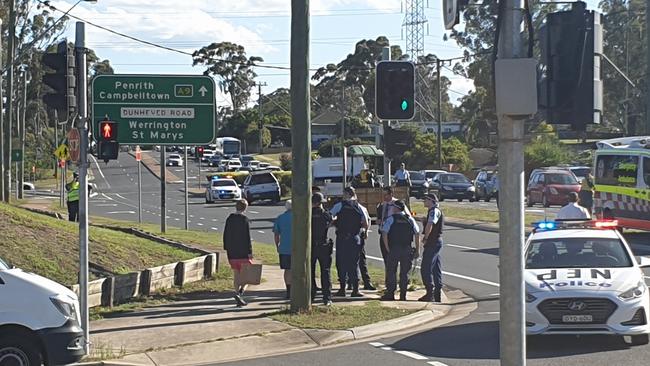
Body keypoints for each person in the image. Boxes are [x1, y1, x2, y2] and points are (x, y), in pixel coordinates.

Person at [330, 187, 370, 298]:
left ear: (346, 194)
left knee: (341, 262)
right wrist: (364, 231)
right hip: (355, 237)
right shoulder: (359, 207)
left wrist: (336, 223)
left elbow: (330, 218)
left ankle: (342, 288)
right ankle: (355, 289)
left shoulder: (339, 206)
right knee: (354, 263)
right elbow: (366, 222)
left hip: (342, 237)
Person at [381, 200, 420, 301]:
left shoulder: (391, 219)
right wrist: (417, 249)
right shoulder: (410, 219)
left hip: (394, 248)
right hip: (407, 249)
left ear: (397, 208)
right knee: (404, 273)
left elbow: (384, 232)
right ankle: (403, 295)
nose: (392, 208)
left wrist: (387, 247)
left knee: (391, 271)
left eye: (393, 207)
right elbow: (417, 233)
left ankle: (391, 293)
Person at [223, 199, 253, 307]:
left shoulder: (229, 219)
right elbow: (247, 237)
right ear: (245, 208)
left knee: (236, 275)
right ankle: (240, 293)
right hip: (243, 252)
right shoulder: (245, 220)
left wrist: (227, 248)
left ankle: (236, 293)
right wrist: (249, 251)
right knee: (247, 276)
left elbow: (226, 234)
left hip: (232, 252)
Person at [420, 193, 444, 302]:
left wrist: (425, 237)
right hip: (435, 242)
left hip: (433, 242)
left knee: (426, 267)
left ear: (431, 201)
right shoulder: (432, 211)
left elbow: (430, 224)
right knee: (435, 268)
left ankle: (430, 293)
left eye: (425, 200)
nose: (424, 201)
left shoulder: (434, 211)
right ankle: (437, 293)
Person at [311, 192, 334, 305]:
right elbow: (331, 221)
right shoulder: (325, 214)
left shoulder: (308, 214)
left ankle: (311, 295)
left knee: (310, 272)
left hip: (311, 246)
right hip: (323, 245)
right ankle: (327, 298)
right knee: (325, 272)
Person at [274, 200, 293, 299]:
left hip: (284, 248)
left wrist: (277, 245)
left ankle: (288, 290)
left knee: (287, 269)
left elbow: (276, 234)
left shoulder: (280, 218)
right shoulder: (298, 217)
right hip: (297, 248)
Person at [377, 187, 398, 266]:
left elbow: (406, 217)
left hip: (393, 234)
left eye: (386, 195)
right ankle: (388, 276)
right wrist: (380, 221)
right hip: (383, 232)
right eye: (383, 194)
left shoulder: (397, 204)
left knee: (392, 258)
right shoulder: (383, 204)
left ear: (391, 194)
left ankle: (392, 277)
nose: (384, 196)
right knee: (386, 258)